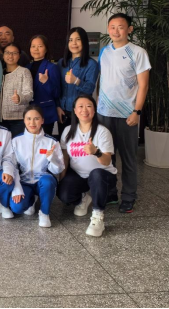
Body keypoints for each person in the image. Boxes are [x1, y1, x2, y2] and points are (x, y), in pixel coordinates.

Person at [97, 13, 151, 214]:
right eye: (112, 27)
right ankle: (111, 193)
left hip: (127, 114)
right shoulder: (104, 51)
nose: (116, 31)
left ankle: (128, 197)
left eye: (120, 27)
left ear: (129, 29)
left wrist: (137, 111)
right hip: (104, 113)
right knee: (107, 157)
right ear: (108, 29)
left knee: (128, 159)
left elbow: (143, 85)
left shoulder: (138, 52)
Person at [57, 95, 118, 237]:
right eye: (80, 106)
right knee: (64, 194)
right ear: (74, 111)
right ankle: (83, 198)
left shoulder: (102, 131)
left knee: (96, 173)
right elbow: (65, 157)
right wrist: (62, 181)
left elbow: (107, 161)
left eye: (89, 106)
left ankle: (98, 215)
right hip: (79, 175)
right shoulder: (68, 131)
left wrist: (96, 152)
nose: (84, 110)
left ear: (94, 110)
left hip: (102, 176)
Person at [10, 106, 65, 228]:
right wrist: (17, 188)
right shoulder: (16, 141)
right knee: (17, 207)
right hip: (24, 181)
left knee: (47, 182)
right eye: (29, 118)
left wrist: (53, 159)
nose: (32, 122)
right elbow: (12, 166)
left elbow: (59, 169)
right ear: (24, 120)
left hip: (43, 180)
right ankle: (31, 200)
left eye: (36, 118)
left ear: (42, 120)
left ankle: (44, 213)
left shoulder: (51, 142)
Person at [57, 27, 99, 139]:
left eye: (78, 39)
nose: (74, 43)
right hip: (62, 112)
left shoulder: (91, 64)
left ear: (84, 42)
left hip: (81, 113)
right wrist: (57, 106)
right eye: (70, 40)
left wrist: (76, 81)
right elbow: (57, 88)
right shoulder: (62, 63)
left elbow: (90, 88)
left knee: (79, 144)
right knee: (64, 143)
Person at [27, 35, 61, 136]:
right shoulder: (26, 68)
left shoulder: (52, 67)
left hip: (45, 113)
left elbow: (57, 93)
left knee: (44, 142)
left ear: (46, 49)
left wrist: (46, 82)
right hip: (29, 113)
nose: (36, 49)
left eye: (40, 46)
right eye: (33, 46)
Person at [0, 44, 34, 136]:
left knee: (18, 144)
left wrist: (20, 98)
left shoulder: (24, 72)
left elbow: (29, 93)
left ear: (19, 56)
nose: (10, 56)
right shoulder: (0, 72)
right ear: (3, 55)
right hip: (1, 119)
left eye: (14, 53)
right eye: (7, 53)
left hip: (18, 119)